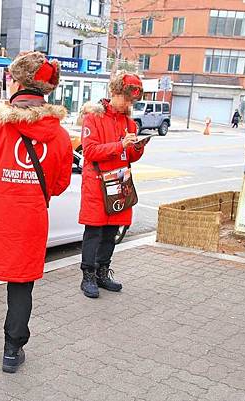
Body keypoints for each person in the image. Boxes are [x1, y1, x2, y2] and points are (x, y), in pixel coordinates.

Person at [0, 51, 73, 373]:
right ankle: (12, 351)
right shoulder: (60, 135)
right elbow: (61, 183)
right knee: (21, 287)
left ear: (17, 81)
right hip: (31, 220)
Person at [78, 72, 146, 299]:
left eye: (132, 101)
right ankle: (87, 275)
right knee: (94, 230)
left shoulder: (128, 122)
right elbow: (89, 152)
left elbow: (131, 156)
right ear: (115, 92)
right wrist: (119, 145)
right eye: (126, 99)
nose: (129, 104)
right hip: (97, 182)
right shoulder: (93, 117)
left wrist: (137, 146)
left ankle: (102, 272)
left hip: (119, 181)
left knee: (111, 230)